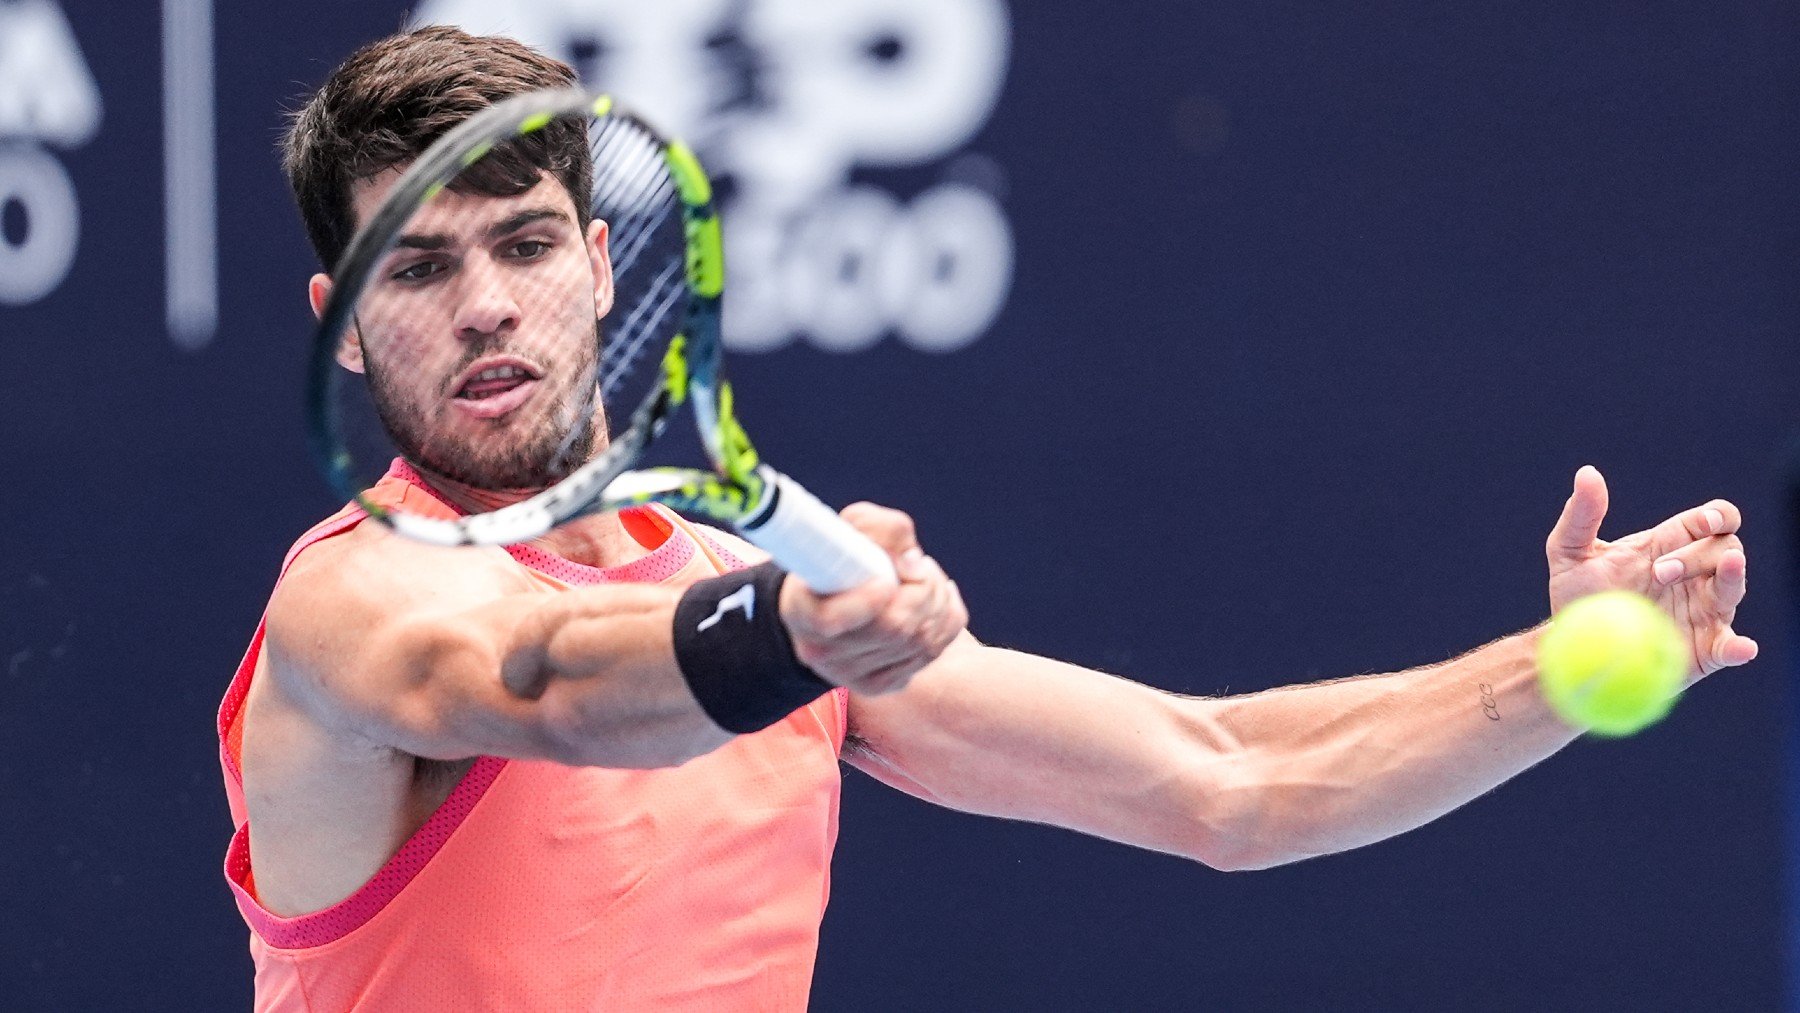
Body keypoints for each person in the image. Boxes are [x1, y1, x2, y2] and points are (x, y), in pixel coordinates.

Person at [218, 26, 1759, 1011]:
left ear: (607, 273)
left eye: (525, 243)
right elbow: (540, 678)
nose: (485, 303)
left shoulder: (767, 616)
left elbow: (1228, 781)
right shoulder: (351, 606)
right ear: (340, 329)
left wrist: (1558, 670)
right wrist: (784, 628)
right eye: (415, 270)